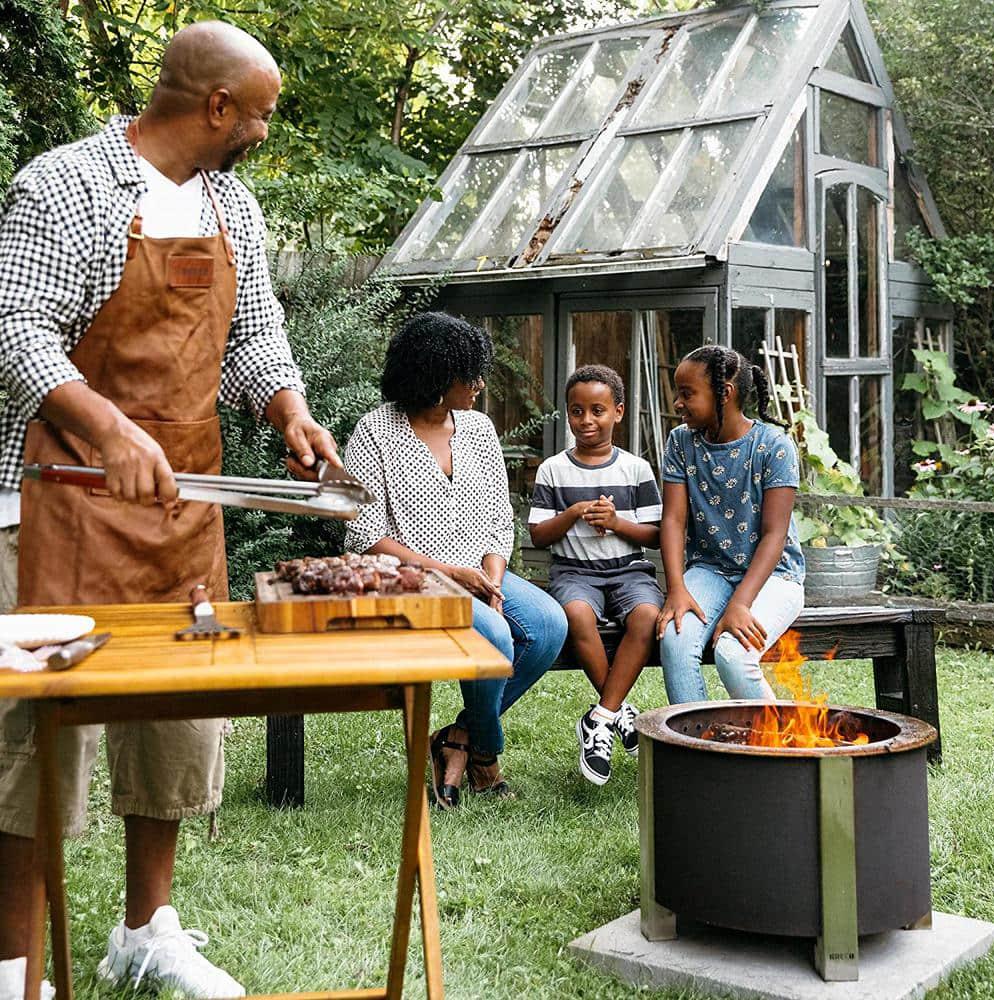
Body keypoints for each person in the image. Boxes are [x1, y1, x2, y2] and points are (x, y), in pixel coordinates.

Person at [0, 22, 340, 999]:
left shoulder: (233, 204)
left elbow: (254, 336)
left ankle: (145, 930)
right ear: (217, 107)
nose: (267, 132)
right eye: (263, 113)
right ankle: (14, 962)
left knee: (180, 723)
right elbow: (16, 328)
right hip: (54, 499)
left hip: (182, 503)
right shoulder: (63, 184)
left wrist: (289, 406)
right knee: (34, 740)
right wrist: (108, 431)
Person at [344, 312, 566, 808]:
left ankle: (458, 739)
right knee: (496, 633)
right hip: (410, 577)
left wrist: (490, 576)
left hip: (478, 572)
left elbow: (497, 519)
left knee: (549, 624)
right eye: (469, 375)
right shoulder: (375, 431)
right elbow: (364, 535)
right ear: (436, 376)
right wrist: (450, 573)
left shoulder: (479, 428)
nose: (480, 384)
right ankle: (486, 756)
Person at [528, 366, 661, 785]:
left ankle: (600, 715)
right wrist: (571, 514)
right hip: (574, 571)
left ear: (618, 412)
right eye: (577, 411)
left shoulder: (636, 469)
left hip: (629, 571)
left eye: (598, 410)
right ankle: (619, 711)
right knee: (577, 616)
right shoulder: (553, 470)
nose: (586, 421)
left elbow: (656, 534)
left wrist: (618, 522)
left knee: (645, 618)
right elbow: (538, 533)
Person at [657, 346, 805, 703]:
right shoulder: (681, 442)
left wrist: (741, 603)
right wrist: (676, 588)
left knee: (733, 654)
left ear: (725, 392)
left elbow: (775, 534)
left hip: (774, 575)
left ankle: (782, 748)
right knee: (675, 641)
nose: (678, 403)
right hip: (710, 570)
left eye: (687, 393)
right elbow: (674, 521)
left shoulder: (774, 446)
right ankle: (695, 748)